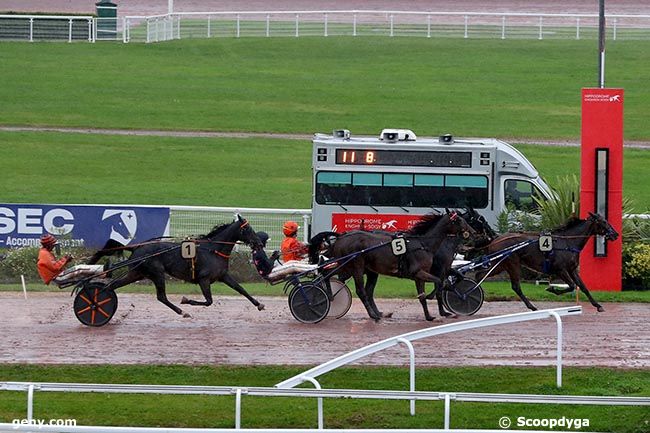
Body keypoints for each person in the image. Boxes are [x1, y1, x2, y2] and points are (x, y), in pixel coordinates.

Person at [37, 234, 106, 286]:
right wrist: (65, 259)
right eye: (53, 245)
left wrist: (66, 260)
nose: (54, 246)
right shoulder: (44, 254)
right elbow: (55, 267)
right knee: (79, 268)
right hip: (58, 277)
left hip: (58, 275)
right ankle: (103, 269)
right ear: (48, 245)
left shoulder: (45, 252)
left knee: (80, 269)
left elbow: (55, 266)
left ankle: (101, 273)